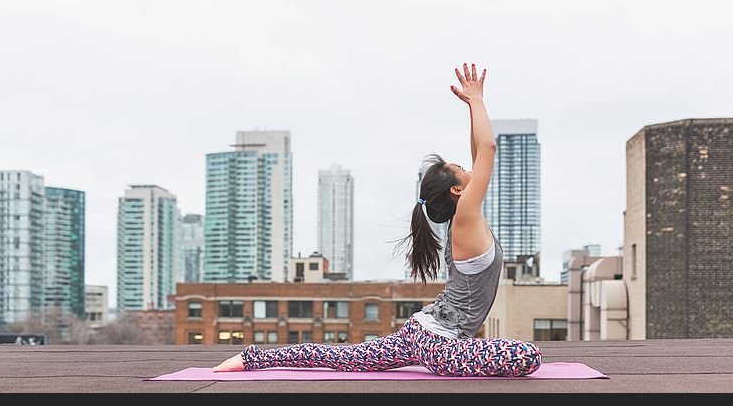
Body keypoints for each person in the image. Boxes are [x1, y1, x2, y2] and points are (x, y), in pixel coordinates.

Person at [213, 62, 542, 376]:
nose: (471, 168)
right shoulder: (464, 220)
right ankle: (253, 358)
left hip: (423, 332)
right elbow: (486, 147)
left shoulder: (467, 219)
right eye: (462, 169)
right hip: (441, 342)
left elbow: (478, 152)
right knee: (528, 356)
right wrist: (477, 99)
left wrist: (472, 106)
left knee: (343, 357)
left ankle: (251, 357)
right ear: (457, 190)